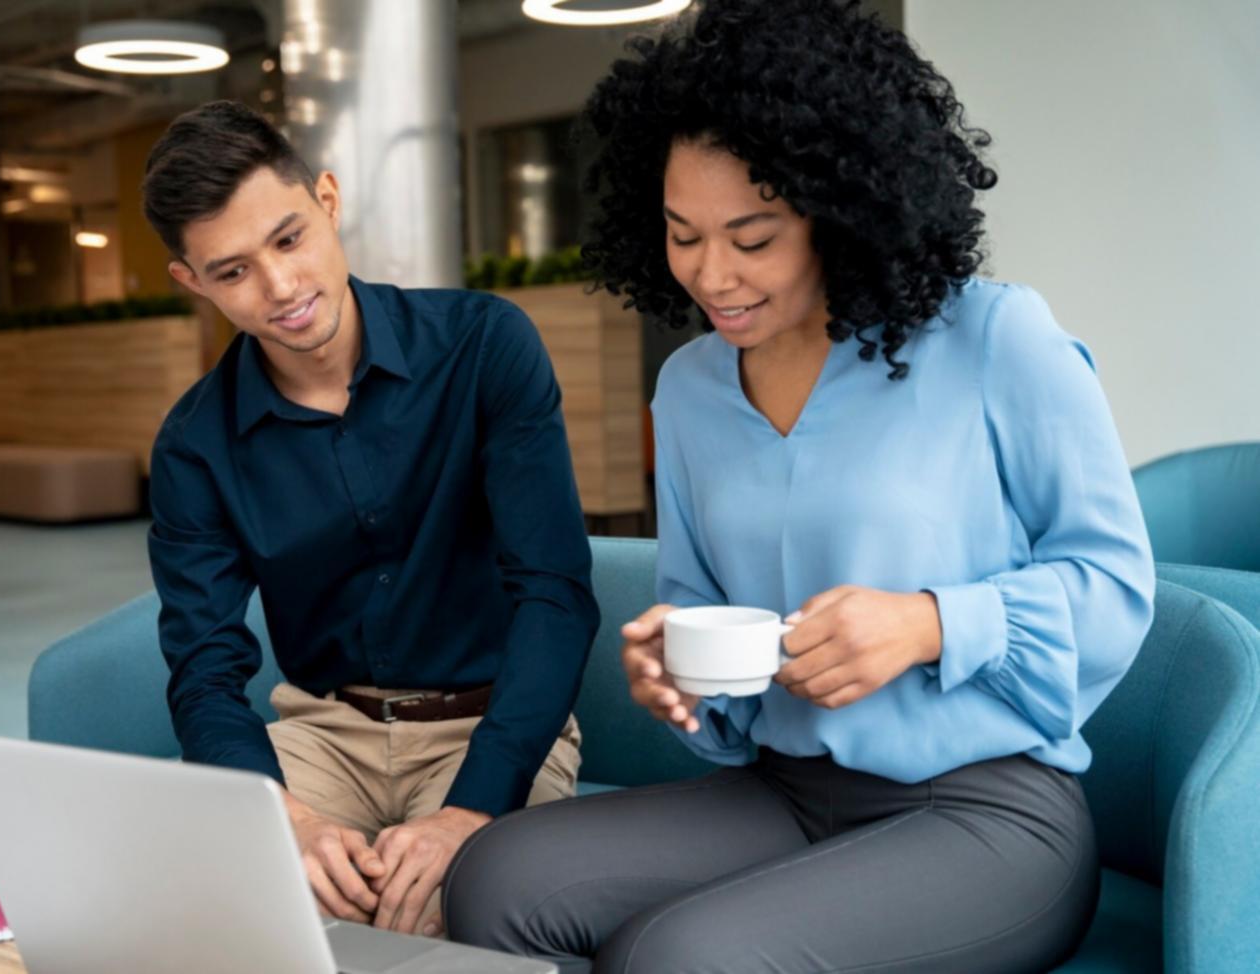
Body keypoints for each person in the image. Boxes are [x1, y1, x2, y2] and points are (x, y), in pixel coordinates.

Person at [443, 1, 1155, 971]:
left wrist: (927, 623)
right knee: (494, 875)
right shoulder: (689, 389)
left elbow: (1114, 587)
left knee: (679, 956)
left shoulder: (994, 338)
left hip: (986, 809)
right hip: (782, 790)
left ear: (837, 211)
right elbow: (700, 614)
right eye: (682, 234)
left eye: (752, 237)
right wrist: (676, 672)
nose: (711, 275)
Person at [142, 101, 598, 939]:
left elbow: (555, 593)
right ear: (192, 282)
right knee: (197, 901)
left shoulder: (484, 346)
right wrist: (285, 819)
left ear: (327, 200)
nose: (282, 288)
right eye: (233, 272)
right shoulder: (194, 445)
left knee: (424, 914)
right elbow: (203, 668)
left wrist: (470, 811)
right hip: (325, 732)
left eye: (289, 239)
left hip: (488, 724)